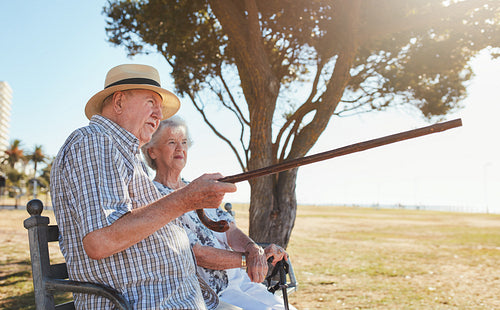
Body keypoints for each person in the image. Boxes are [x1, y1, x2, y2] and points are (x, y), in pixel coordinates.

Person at [50, 64, 240, 309]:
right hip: (143, 302)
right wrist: (186, 198)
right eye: (151, 102)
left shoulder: (125, 154)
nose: (159, 115)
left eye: (160, 107)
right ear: (118, 102)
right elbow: (100, 241)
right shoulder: (94, 141)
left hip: (181, 298)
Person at [141, 116, 297, 310]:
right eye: (172, 142)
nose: (180, 148)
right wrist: (249, 259)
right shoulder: (154, 198)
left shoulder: (198, 188)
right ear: (152, 151)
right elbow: (195, 253)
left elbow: (230, 230)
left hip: (240, 280)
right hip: (212, 291)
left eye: (184, 142)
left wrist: (253, 249)